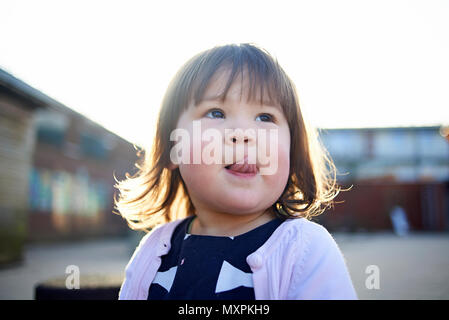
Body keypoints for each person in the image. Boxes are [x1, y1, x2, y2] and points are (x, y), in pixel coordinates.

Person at [115, 43, 357, 300]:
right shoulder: (153, 252)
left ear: (292, 148)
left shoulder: (305, 250)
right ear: (174, 148)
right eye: (216, 113)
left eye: (265, 118)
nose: (244, 134)